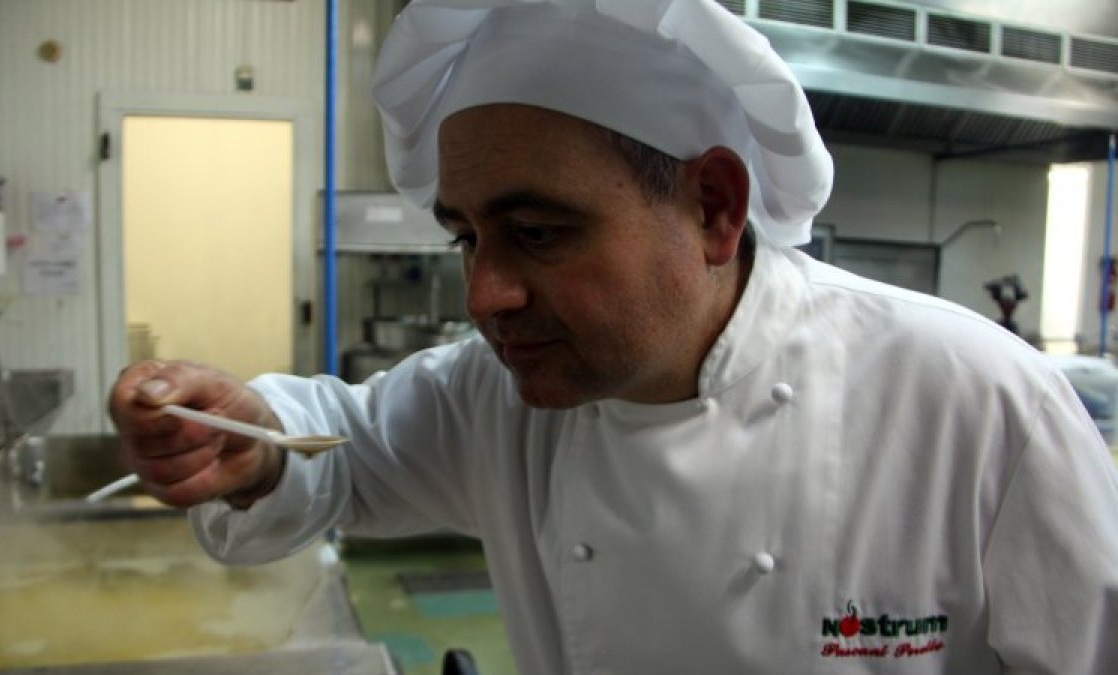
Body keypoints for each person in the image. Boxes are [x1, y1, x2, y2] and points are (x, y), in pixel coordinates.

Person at [108, 1, 1118, 672]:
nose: (486, 294)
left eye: (539, 233)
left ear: (715, 207)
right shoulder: (494, 400)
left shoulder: (979, 405)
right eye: (467, 237)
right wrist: (247, 442)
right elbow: (343, 452)